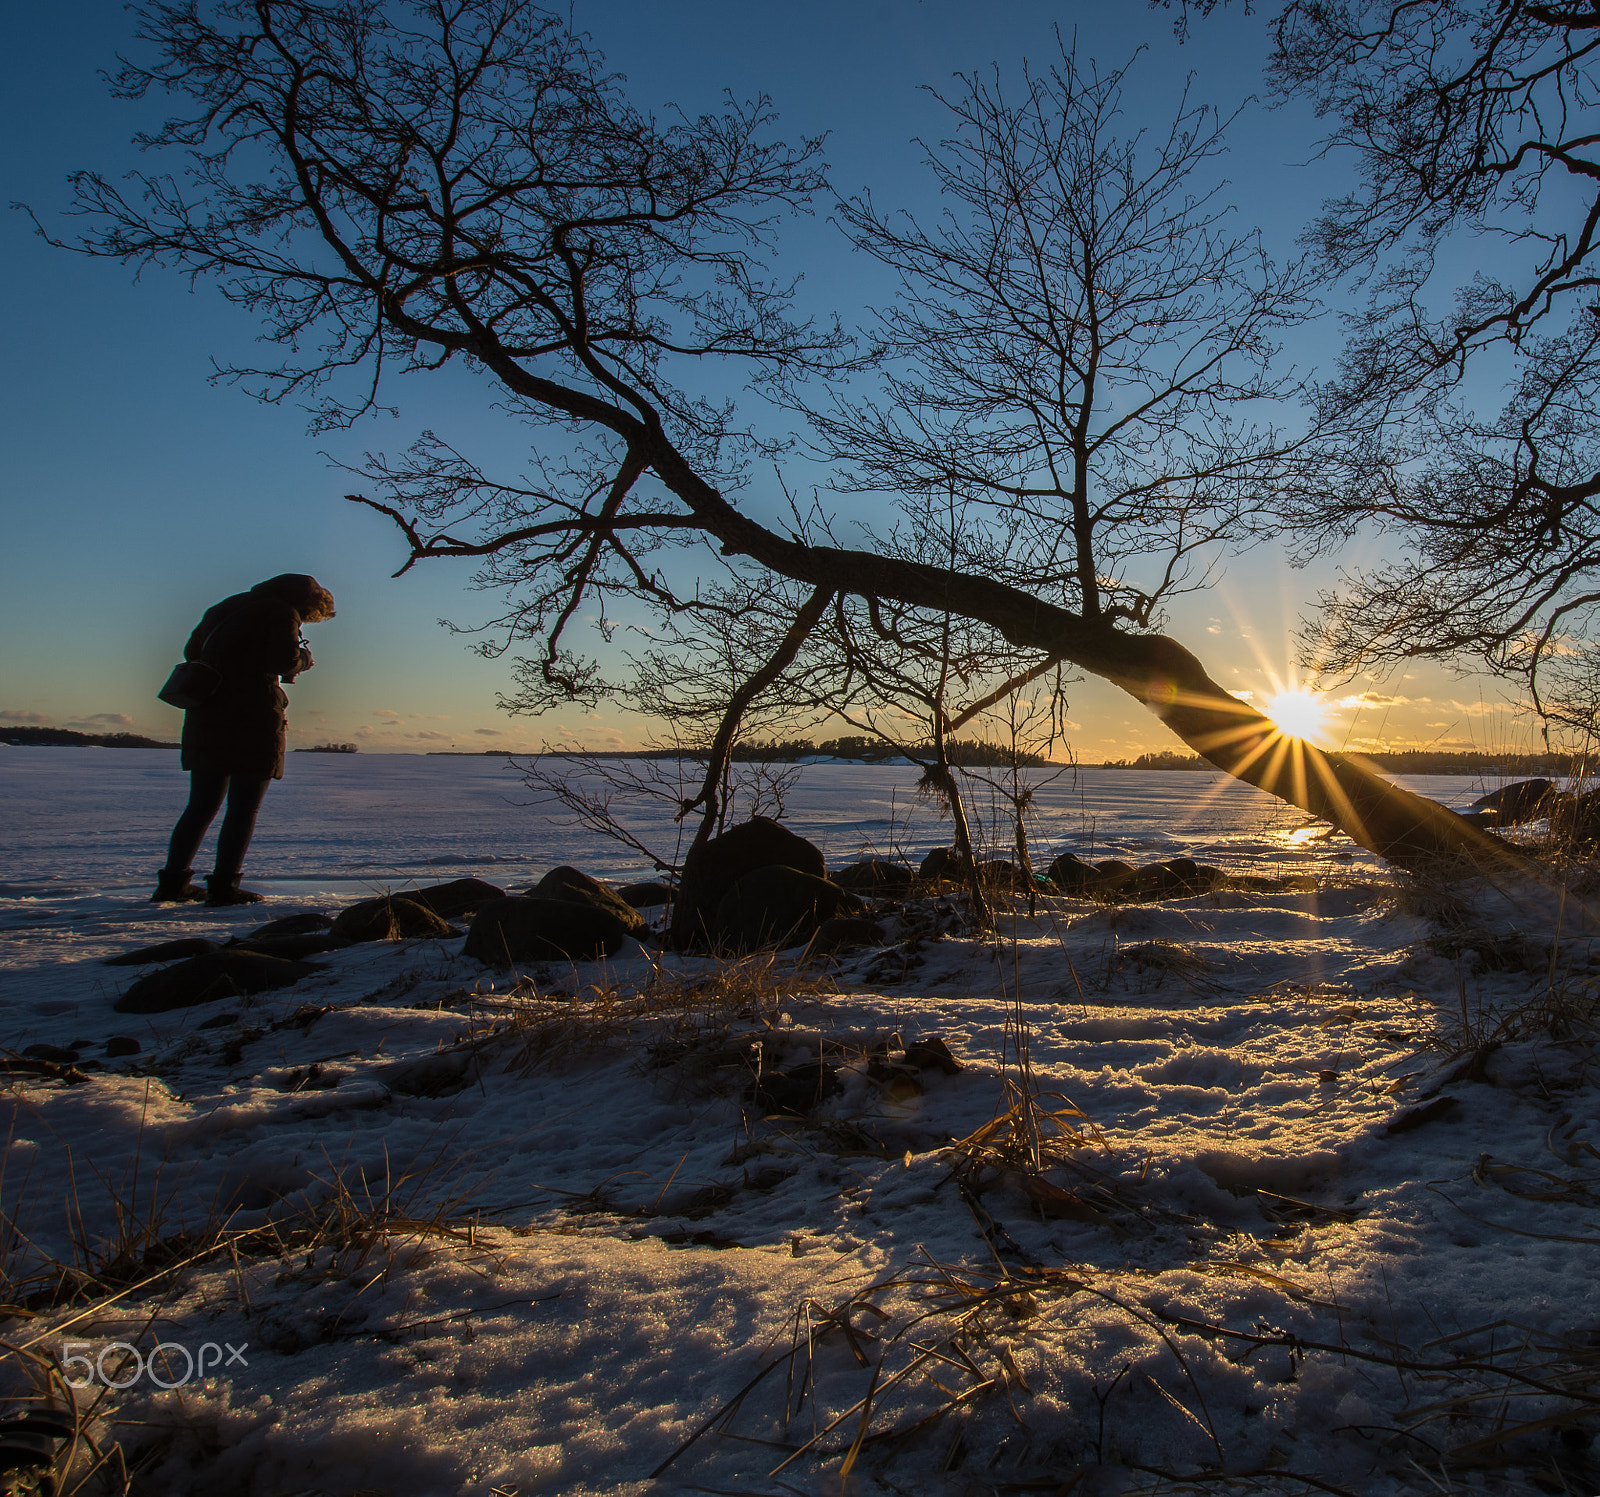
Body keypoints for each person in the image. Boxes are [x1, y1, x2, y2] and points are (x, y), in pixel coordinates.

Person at [153, 574, 336, 906]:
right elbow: (281, 661)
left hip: (207, 713)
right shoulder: (282, 613)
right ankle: (224, 886)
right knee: (244, 806)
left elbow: (192, 650)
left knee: (201, 804)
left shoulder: (228, 606)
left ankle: (172, 883)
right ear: (308, 602)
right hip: (252, 716)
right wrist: (303, 661)